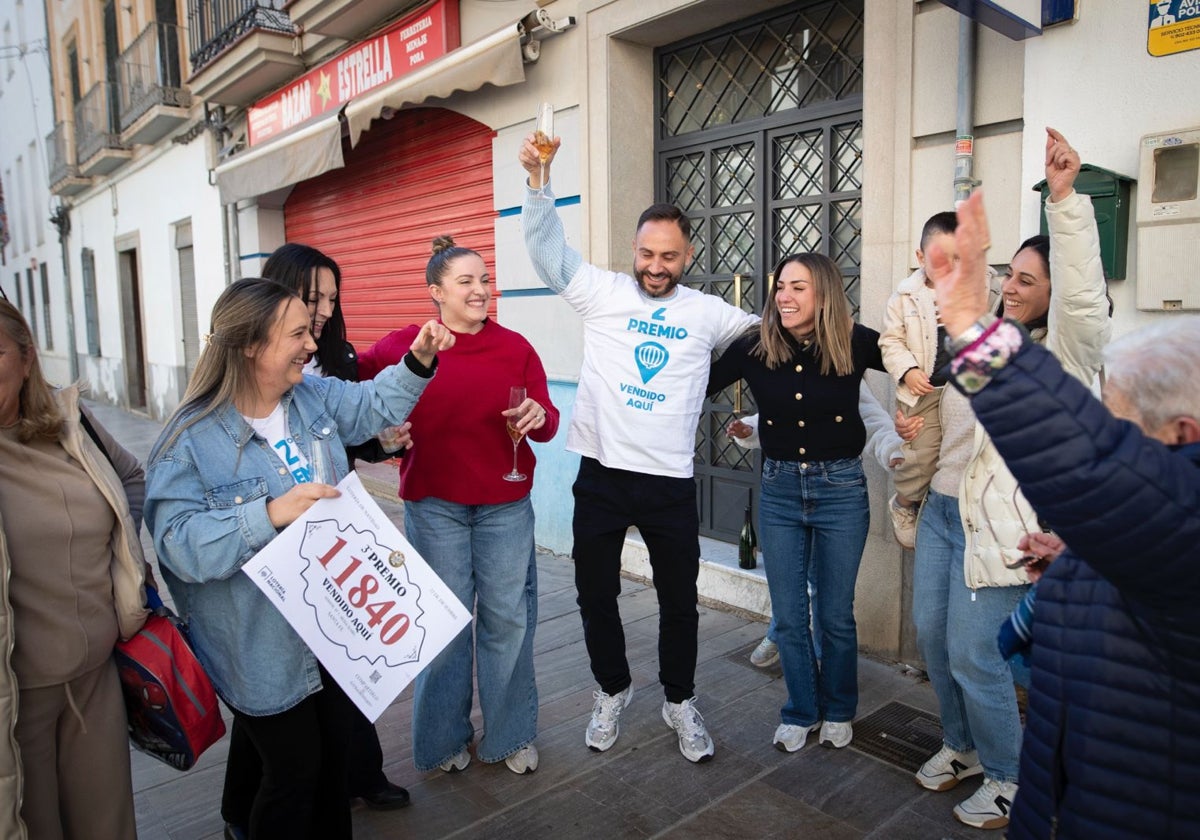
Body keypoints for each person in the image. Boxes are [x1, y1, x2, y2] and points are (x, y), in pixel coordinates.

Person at [927, 185, 1200, 840]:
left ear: (1183, 434)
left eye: (1123, 426)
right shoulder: (1153, 526)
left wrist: (969, 323)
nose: (1109, 428)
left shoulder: (1182, 515)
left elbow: (1086, 458)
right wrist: (1075, 564)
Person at [145, 278, 452, 840]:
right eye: (297, 335)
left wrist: (420, 358)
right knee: (292, 775)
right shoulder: (188, 441)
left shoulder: (311, 398)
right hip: (259, 648)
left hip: (336, 632)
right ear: (250, 347)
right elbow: (177, 545)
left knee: (332, 768)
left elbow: (372, 404)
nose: (312, 345)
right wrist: (270, 513)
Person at [518, 134, 759, 763]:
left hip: (669, 484)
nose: (656, 266)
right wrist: (540, 184)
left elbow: (772, 343)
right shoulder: (603, 292)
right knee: (595, 594)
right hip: (600, 475)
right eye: (648, 253)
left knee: (680, 602)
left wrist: (750, 404)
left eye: (669, 256)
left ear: (689, 255)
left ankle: (679, 700)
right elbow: (547, 255)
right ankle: (612, 689)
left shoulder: (708, 312)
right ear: (634, 249)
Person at [904, 128, 1111, 830]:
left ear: (1054, 293)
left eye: (1027, 280)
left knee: (975, 654)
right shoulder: (991, 340)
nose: (1011, 287)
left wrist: (1065, 200)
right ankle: (961, 745)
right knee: (933, 638)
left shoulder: (1069, 356)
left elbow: (1085, 301)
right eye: (1009, 275)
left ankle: (1010, 778)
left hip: (1000, 529)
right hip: (941, 507)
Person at [218, 245, 413, 840]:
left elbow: (352, 427)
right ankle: (242, 813)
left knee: (320, 717)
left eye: (332, 298)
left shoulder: (332, 359)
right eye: (312, 300)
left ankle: (358, 774)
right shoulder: (219, 416)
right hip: (273, 578)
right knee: (279, 732)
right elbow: (180, 535)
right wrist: (267, 513)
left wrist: (384, 441)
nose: (323, 313)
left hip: (333, 551)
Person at [357, 235, 559, 776]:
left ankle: (510, 735)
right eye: (466, 281)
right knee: (442, 627)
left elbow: (548, 419)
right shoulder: (408, 343)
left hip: (505, 507)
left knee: (507, 622)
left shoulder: (516, 347)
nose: (480, 290)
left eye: (485, 279)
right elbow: (351, 388)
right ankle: (444, 740)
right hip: (435, 507)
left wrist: (540, 416)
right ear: (436, 291)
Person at [707, 252, 887, 752]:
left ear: (824, 293)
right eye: (780, 286)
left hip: (841, 491)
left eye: (797, 287)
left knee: (835, 614)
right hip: (781, 491)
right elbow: (695, 383)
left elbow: (918, 361)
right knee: (788, 615)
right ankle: (801, 710)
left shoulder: (854, 342)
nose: (783, 296)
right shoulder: (755, 345)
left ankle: (840, 708)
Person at [0, 298, 150, 839]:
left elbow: (131, 477)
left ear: (25, 356)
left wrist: (120, 552)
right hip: (16, 699)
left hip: (97, 678)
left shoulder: (71, 423)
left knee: (107, 827)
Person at [728, 385, 906, 668]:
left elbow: (873, 420)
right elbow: (778, 417)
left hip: (835, 489)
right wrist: (750, 428)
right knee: (790, 578)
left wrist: (893, 451)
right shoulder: (788, 366)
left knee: (824, 585)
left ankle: (824, 660)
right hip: (786, 488)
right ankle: (780, 630)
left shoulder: (845, 371)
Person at [879, 211, 1000, 548]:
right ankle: (905, 503)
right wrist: (907, 370)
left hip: (966, 391)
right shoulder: (905, 297)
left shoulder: (989, 286)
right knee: (921, 456)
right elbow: (890, 341)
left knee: (961, 457)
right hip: (926, 390)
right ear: (920, 258)